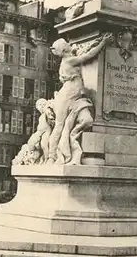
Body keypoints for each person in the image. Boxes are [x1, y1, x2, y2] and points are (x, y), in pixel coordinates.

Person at [47, 33, 113, 162]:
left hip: (74, 95)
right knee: (59, 125)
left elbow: (84, 51)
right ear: (64, 49)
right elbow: (88, 55)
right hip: (68, 95)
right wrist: (103, 43)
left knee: (61, 125)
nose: (70, 44)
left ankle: (55, 153)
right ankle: (51, 156)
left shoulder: (68, 59)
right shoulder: (69, 60)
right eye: (67, 44)